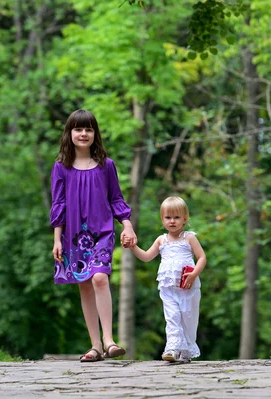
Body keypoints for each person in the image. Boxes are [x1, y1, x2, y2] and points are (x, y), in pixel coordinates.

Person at [50, 109, 138, 362]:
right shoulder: (61, 168)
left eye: (89, 129)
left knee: (100, 278)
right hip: (72, 235)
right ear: (70, 133)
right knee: (84, 285)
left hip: (102, 232)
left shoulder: (106, 166)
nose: (84, 133)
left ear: (95, 134)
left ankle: (109, 341)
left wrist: (127, 225)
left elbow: (116, 198)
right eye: (78, 129)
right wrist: (57, 239)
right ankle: (95, 346)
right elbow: (59, 204)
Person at [125, 197, 206, 362]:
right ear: (162, 219)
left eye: (176, 217)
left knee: (188, 318)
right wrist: (133, 247)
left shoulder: (189, 238)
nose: (172, 221)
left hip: (187, 287)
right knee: (172, 316)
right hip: (168, 287)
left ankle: (186, 349)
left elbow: (202, 257)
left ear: (185, 219)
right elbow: (147, 257)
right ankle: (172, 348)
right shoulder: (161, 240)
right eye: (168, 217)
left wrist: (194, 274)